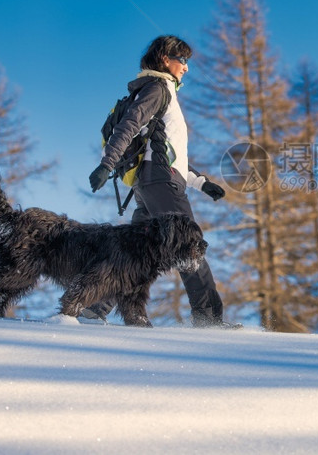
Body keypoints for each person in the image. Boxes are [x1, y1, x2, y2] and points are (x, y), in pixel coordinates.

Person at [87, 35, 238, 329]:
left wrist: (201, 183)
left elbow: (170, 152)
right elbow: (130, 125)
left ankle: (94, 307)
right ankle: (208, 319)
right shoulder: (158, 88)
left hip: (153, 184)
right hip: (159, 181)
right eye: (182, 59)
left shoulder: (164, 92)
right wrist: (106, 164)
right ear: (164, 59)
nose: (186, 67)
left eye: (187, 61)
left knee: (134, 253)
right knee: (190, 246)